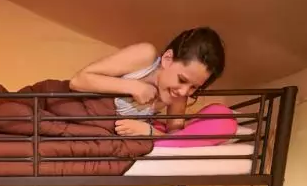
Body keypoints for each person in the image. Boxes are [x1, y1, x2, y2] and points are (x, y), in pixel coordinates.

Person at [68, 27, 226, 137]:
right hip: (75, 106)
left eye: (194, 87)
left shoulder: (178, 96)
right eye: (182, 79)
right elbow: (78, 81)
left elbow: (175, 139)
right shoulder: (145, 55)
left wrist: (149, 131)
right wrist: (133, 87)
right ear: (167, 59)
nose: (184, 91)